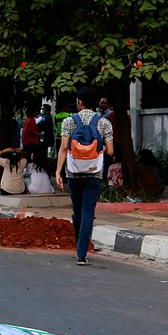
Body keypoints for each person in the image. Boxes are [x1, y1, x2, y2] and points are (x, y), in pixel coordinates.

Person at [55, 86, 114, 265]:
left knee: (77, 211)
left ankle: (79, 246)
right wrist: (99, 149)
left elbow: (64, 148)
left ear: (80, 102)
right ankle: (82, 253)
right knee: (88, 211)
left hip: (73, 173)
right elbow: (110, 151)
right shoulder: (104, 123)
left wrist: (58, 172)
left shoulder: (68, 122)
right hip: (94, 173)